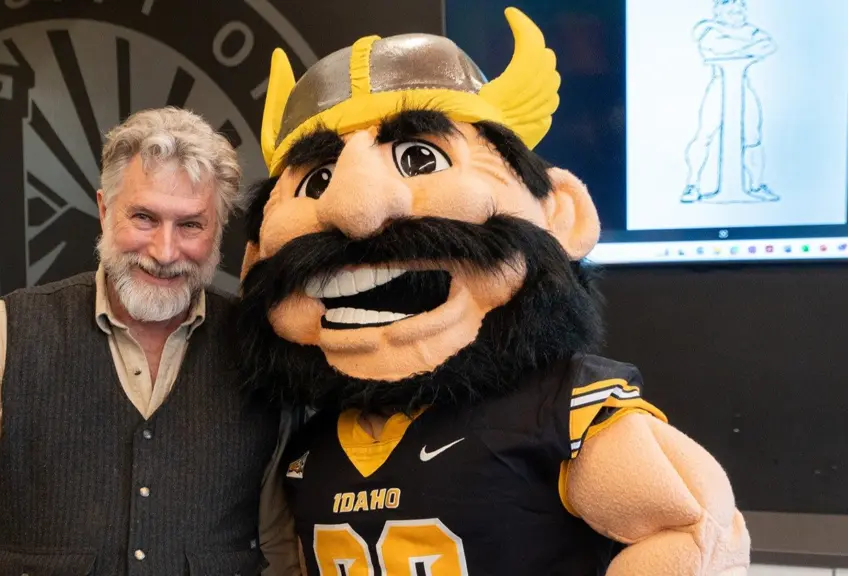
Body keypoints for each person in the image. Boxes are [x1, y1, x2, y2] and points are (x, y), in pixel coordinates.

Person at [234, 6, 750, 575]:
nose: (356, 212)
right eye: (318, 181)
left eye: (419, 158)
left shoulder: (562, 412)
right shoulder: (310, 446)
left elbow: (696, 531)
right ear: (255, 257)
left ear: (560, 215)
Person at [0, 107, 298, 575]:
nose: (165, 252)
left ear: (218, 228)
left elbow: (281, 548)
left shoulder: (260, 349)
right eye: (144, 217)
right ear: (105, 210)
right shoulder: (3, 333)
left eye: (191, 224)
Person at [682, 0, 777, 203]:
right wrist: (745, 46)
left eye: (741, 10)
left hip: (743, 87)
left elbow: (768, 45)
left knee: (753, 137)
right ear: (719, 14)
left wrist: (731, 44)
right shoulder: (708, 29)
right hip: (720, 87)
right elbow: (714, 45)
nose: (738, 14)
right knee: (705, 135)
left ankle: (756, 184)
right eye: (731, 11)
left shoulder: (751, 30)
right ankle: (692, 185)